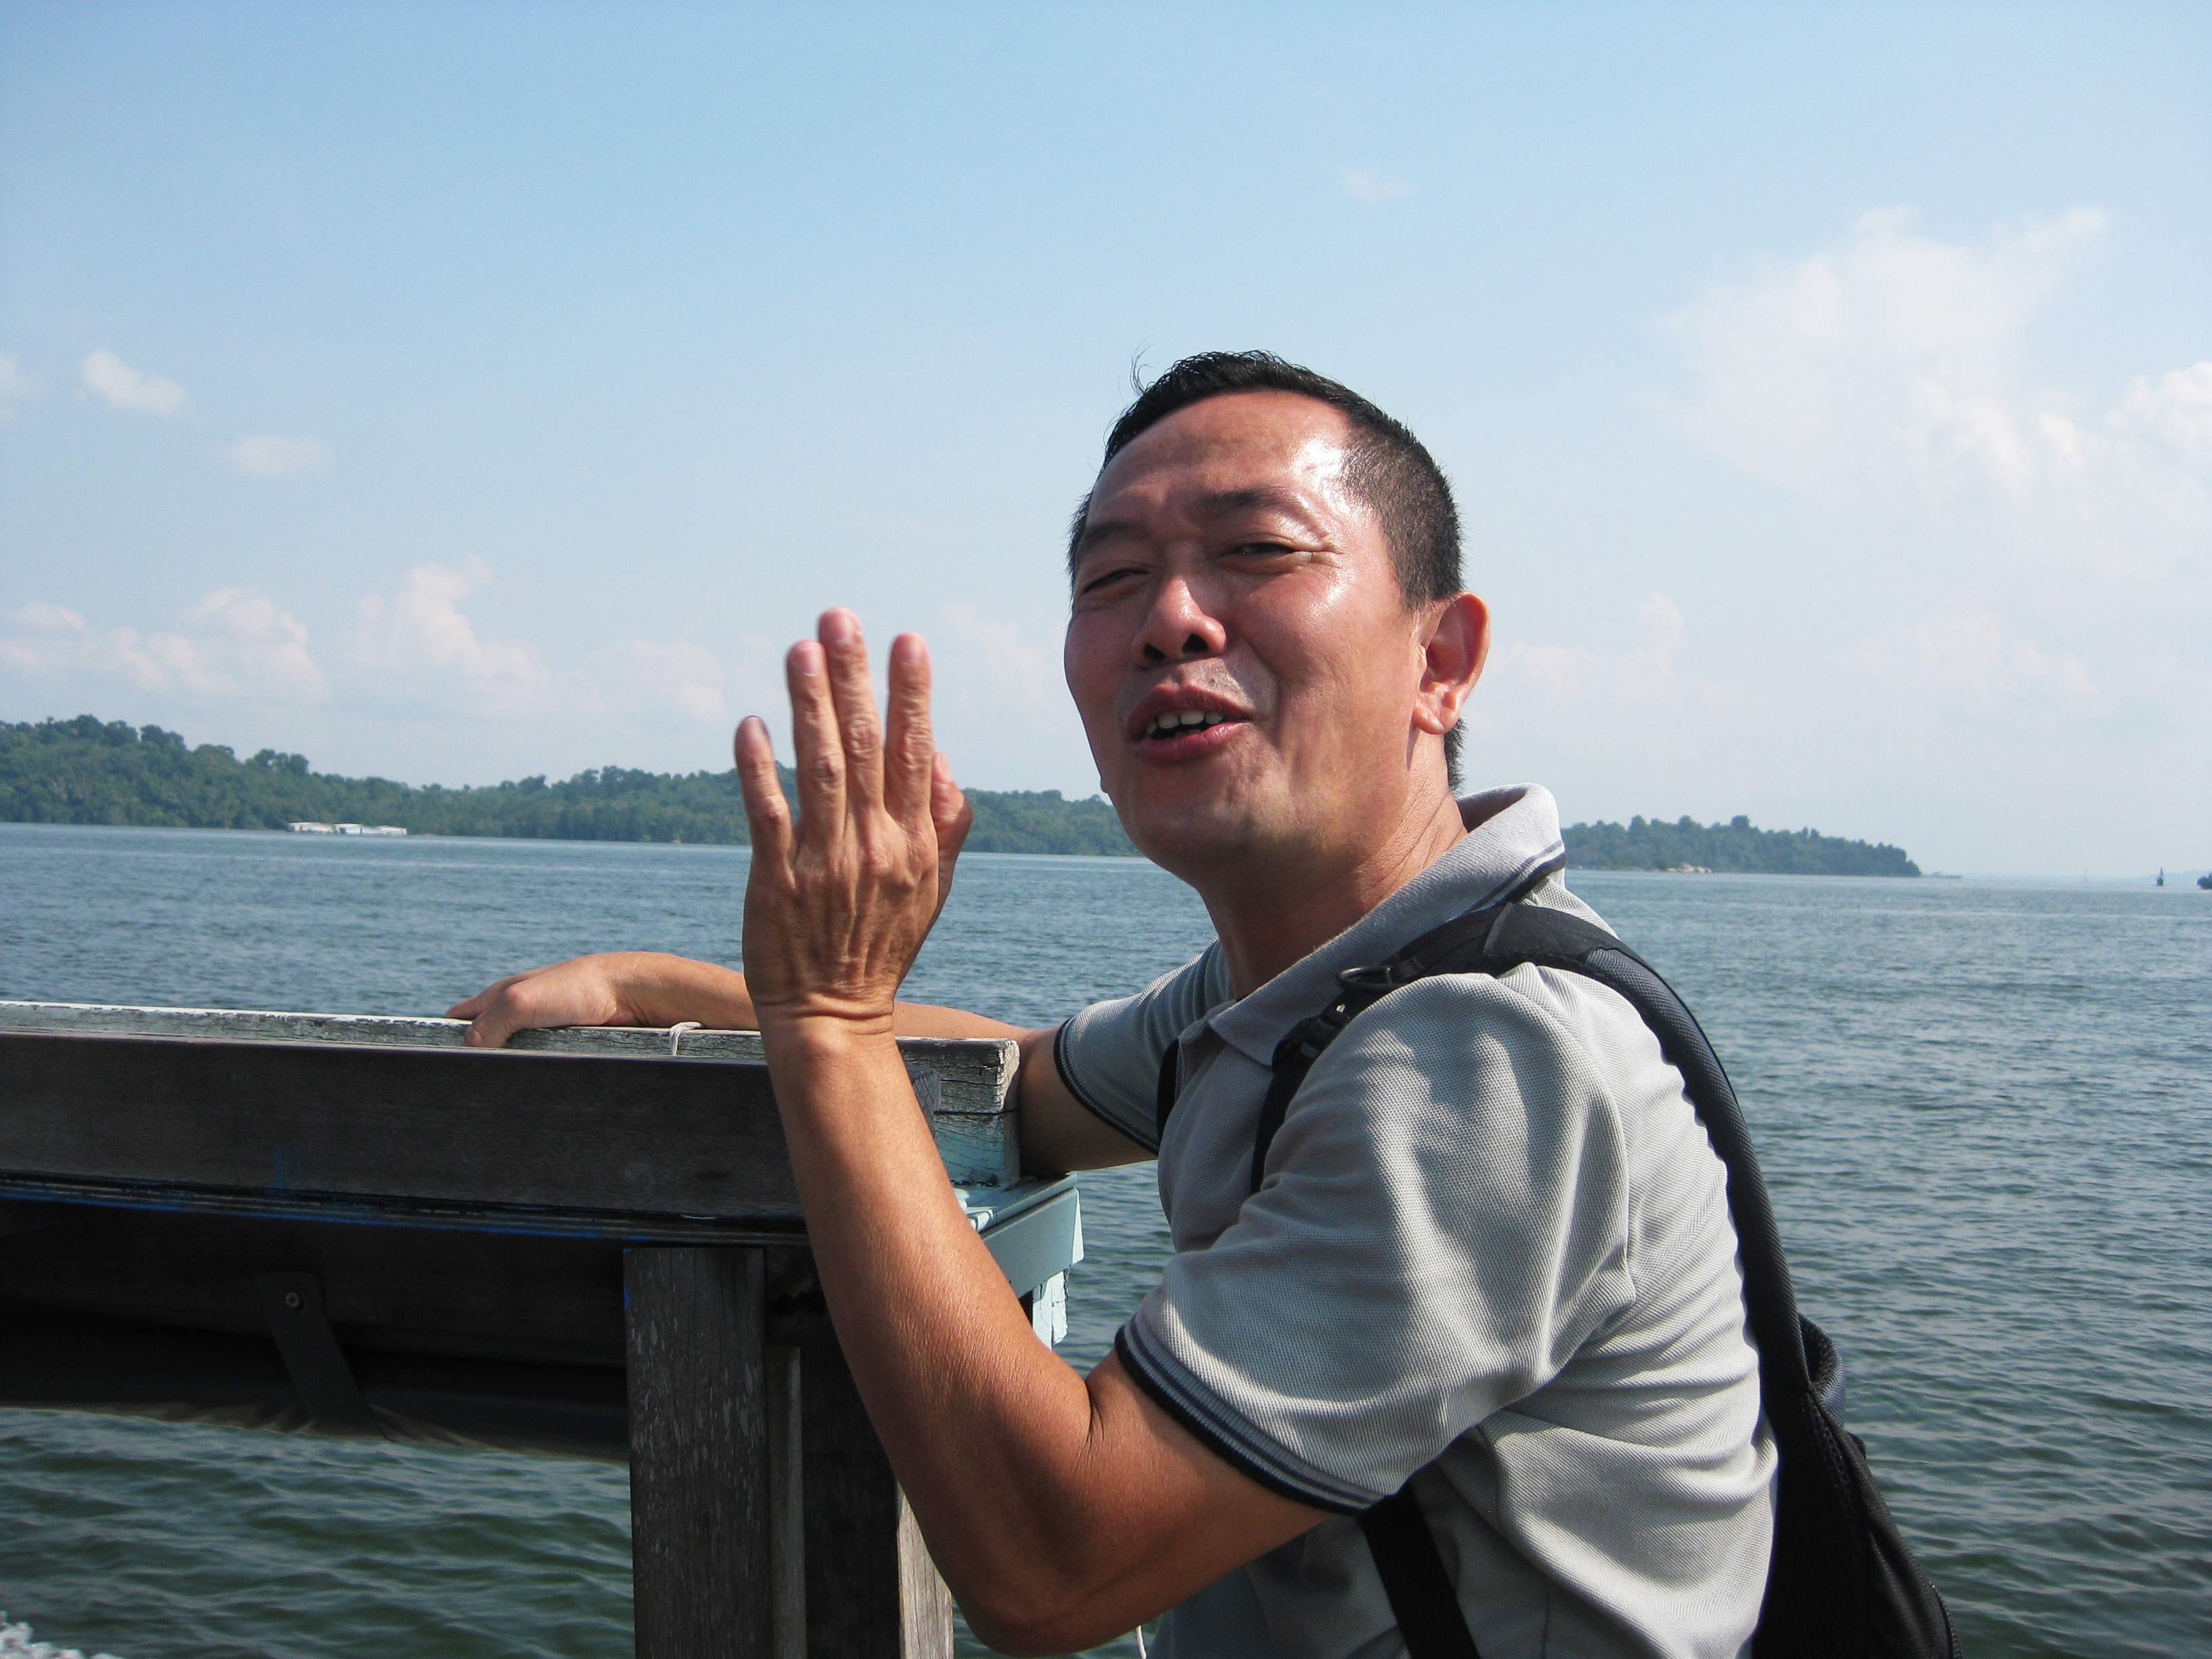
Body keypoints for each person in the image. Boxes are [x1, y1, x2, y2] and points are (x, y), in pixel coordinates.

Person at [449, 352, 1776, 1658]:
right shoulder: (1315, 987)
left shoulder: (1487, 1054)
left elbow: (1052, 1565)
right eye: (1112, 578)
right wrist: (663, 987)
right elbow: (1024, 1085)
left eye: (1258, 551)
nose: (1170, 619)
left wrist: (833, 1027)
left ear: (1441, 656)